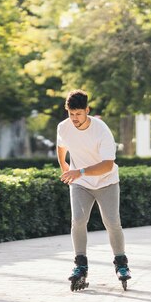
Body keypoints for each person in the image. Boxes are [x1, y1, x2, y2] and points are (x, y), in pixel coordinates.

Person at [56, 90, 131, 291]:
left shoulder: (101, 130)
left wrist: (79, 171)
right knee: (78, 221)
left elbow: (107, 165)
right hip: (81, 183)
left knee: (112, 222)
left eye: (78, 114)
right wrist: (65, 166)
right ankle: (80, 265)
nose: (74, 119)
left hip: (106, 181)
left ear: (87, 110)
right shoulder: (64, 127)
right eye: (71, 114)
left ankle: (121, 263)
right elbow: (61, 147)